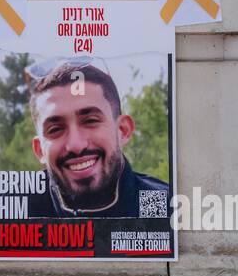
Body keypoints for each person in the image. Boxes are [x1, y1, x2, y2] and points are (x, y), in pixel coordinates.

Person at [27, 58, 167, 218]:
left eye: (90, 121)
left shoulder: (164, 206)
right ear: (40, 150)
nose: (76, 145)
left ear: (123, 130)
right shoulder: (16, 215)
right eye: (55, 129)